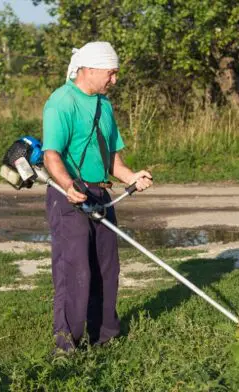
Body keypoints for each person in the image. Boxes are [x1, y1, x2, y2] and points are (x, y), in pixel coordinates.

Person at [42, 41, 153, 352]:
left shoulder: (105, 106)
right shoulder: (61, 102)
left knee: (107, 268)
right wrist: (67, 186)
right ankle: (66, 346)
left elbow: (112, 159)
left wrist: (131, 177)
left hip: (101, 194)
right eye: (111, 73)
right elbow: (51, 156)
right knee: (75, 270)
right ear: (89, 69)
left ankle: (104, 338)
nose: (115, 80)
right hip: (69, 194)